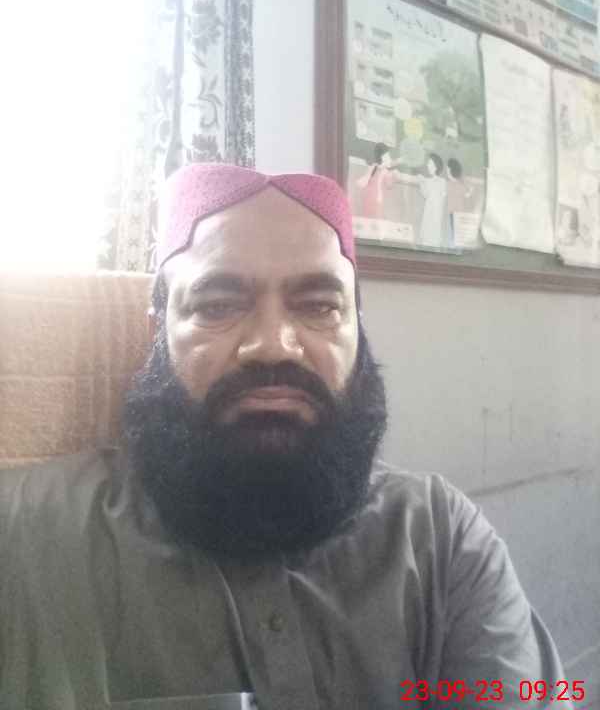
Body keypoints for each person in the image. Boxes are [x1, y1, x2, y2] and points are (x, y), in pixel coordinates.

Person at [0, 163, 572, 709]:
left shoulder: (442, 538)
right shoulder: (23, 537)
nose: (273, 344)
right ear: (159, 331)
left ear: (356, 331)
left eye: (319, 306)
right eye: (217, 305)